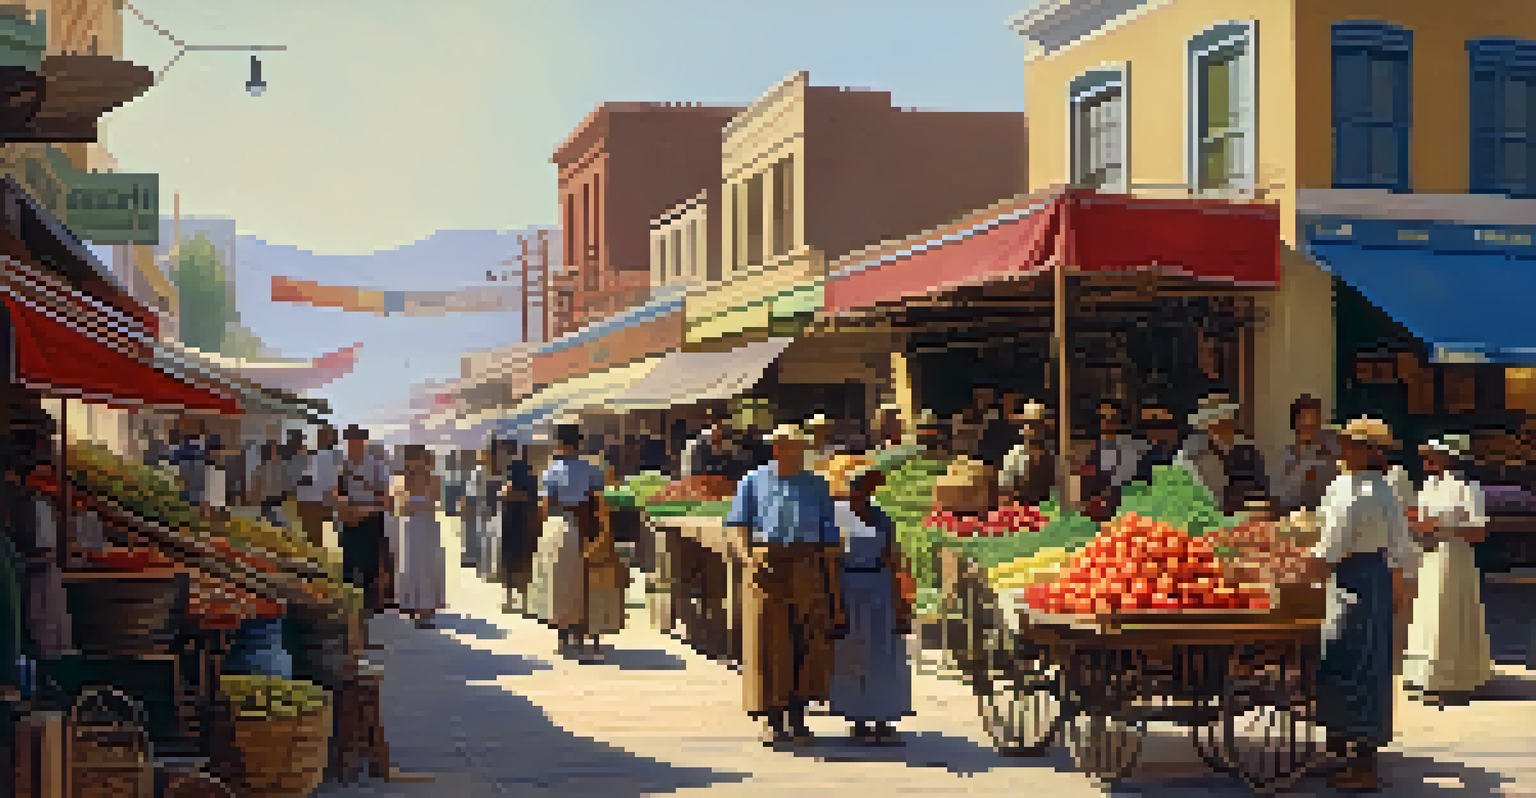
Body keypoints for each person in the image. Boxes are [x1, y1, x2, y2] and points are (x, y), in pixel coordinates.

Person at [1303, 417, 1421, 792]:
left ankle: (1364, 762)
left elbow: (1334, 543)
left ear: (1369, 452)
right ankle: (1339, 750)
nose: (1343, 448)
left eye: (1352, 444)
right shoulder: (1349, 484)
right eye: (1343, 442)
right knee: (1343, 658)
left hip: (1360, 575)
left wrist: (1307, 565)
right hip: (1359, 575)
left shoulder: (1368, 492)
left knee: (1358, 663)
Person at [726, 423, 846, 747]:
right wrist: (747, 558)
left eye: (795, 446)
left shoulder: (817, 485)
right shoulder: (752, 481)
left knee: (807, 638)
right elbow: (737, 525)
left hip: (807, 563)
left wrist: (829, 569)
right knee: (769, 638)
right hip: (767, 564)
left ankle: (799, 717)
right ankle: (772, 718)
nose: (789, 451)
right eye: (783, 445)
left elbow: (828, 532)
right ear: (774, 449)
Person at [1402, 434, 1492, 705]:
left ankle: (1454, 679)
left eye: (1433, 453)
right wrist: (1418, 527)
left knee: (1449, 613)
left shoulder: (1467, 487)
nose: (1426, 459)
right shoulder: (1428, 485)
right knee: (1428, 613)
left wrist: (1443, 529)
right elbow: (1418, 516)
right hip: (1429, 555)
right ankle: (1423, 675)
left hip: (1454, 557)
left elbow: (1480, 530)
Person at [828, 465, 913, 745]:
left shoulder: (882, 519)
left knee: (882, 655)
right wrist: (835, 605)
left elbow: (892, 558)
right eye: (861, 487)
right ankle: (858, 719)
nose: (864, 494)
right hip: (849, 589)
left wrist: (901, 601)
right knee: (852, 653)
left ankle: (883, 718)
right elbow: (831, 562)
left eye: (869, 489)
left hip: (879, 589)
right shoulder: (837, 520)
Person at [530, 422, 608, 659]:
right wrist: (603, 531)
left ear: (558, 444)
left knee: (561, 582)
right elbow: (600, 504)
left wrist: (538, 533)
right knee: (587, 581)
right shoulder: (592, 470)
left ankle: (564, 635)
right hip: (587, 527)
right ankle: (583, 630)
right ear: (579, 443)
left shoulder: (551, 472)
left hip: (560, 526)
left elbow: (544, 507)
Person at [331, 425, 393, 616]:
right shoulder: (343, 465)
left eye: (355, 442)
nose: (352, 446)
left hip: (371, 518)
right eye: (349, 442)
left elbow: (385, 499)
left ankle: (370, 605)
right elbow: (338, 492)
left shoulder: (376, 465)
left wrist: (365, 508)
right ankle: (350, 604)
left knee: (370, 563)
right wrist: (343, 506)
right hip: (349, 518)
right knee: (349, 562)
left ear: (363, 443)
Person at [1176, 392, 1270, 513]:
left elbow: (1261, 489)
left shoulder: (1248, 452)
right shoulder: (1191, 454)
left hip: (1244, 518)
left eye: (1227, 422)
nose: (1222, 429)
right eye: (1215, 424)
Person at [390, 445, 446, 629]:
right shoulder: (403, 480)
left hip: (427, 526)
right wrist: (412, 507)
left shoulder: (434, 479)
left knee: (427, 565)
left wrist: (413, 507)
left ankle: (426, 608)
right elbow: (398, 506)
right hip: (411, 526)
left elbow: (434, 503)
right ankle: (413, 606)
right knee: (412, 565)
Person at [1082, 399, 1151, 520]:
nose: (1106, 422)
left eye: (1112, 417)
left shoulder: (1133, 446)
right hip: (1100, 513)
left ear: (1120, 420)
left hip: (1128, 510)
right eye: (1102, 417)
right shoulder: (1096, 446)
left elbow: (1126, 479)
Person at [1276, 395, 1343, 514]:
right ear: (1296, 424)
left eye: (1314, 421)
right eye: (1305, 420)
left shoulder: (1331, 446)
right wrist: (1307, 459)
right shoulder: (1288, 455)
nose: (1310, 425)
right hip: (1296, 516)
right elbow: (1283, 496)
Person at [498, 439, 541, 614]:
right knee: (523, 560)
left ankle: (511, 600)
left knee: (511, 560)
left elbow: (508, 493)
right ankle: (522, 601)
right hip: (524, 520)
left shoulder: (513, 469)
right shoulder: (531, 474)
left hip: (513, 520)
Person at [999, 401, 1056, 506]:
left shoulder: (1052, 455)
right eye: (1029, 424)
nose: (1033, 430)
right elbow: (1005, 492)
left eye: (1038, 425)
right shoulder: (1014, 455)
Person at [296, 425, 342, 549]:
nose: (319, 438)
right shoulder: (316, 456)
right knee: (313, 541)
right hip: (312, 501)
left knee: (313, 541)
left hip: (317, 501)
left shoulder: (332, 455)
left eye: (324, 435)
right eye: (320, 435)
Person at [1131, 402, 1183, 485]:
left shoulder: (1188, 457)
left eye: (1162, 424)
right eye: (1146, 425)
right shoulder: (1139, 459)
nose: (1153, 431)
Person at [462, 448, 486, 570]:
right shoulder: (478, 471)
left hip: (475, 502)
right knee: (474, 531)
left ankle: (473, 557)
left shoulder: (479, 471)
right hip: (475, 502)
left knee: (474, 531)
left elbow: (474, 490)